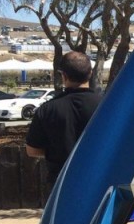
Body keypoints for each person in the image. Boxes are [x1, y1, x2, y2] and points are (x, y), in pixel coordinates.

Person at [26, 51, 102, 186]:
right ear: (90, 73)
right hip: (99, 181)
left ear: (63, 75)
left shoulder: (47, 109)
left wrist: (58, 149)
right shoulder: (107, 105)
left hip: (62, 183)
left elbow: (32, 150)